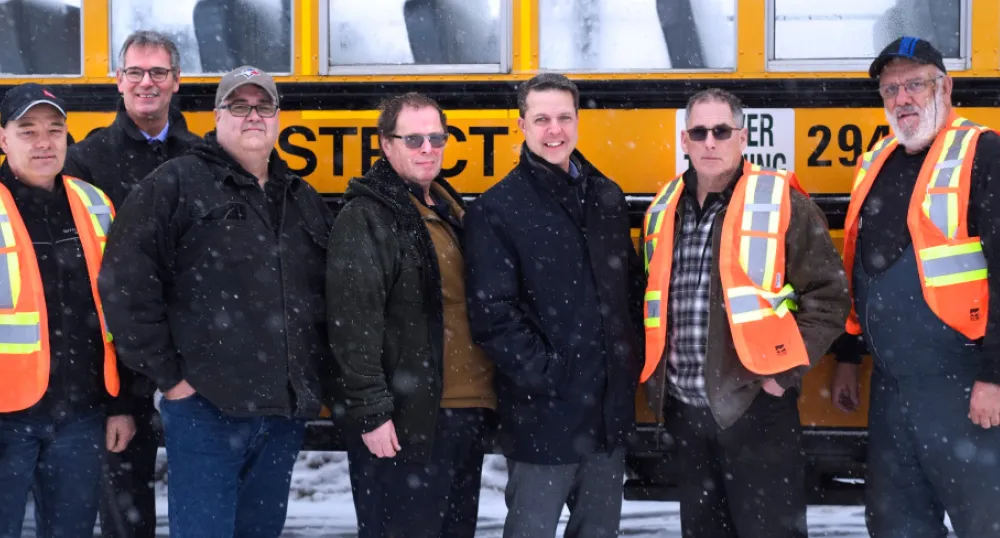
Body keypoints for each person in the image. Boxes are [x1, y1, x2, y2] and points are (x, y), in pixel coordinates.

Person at [97, 66, 335, 538]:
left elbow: (326, 292)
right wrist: (172, 378)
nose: (253, 116)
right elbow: (125, 283)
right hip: (207, 410)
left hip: (281, 414)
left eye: (263, 106)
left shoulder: (301, 196)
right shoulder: (176, 184)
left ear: (278, 117)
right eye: (238, 105)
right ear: (216, 115)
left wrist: (316, 377)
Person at [640, 87, 849, 538]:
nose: (710, 142)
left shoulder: (779, 201)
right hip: (687, 413)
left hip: (757, 407)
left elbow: (828, 298)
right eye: (699, 132)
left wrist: (782, 375)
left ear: (743, 135)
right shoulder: (663, 209)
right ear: (684, 140)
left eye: (721, 131)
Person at [829, 37, 1000, 537]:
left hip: (965, 385)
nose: (903, 98)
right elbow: (860, 265)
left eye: (915, 84)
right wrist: (847, 354)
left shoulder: (983, 152)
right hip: (891, 387)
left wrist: (994, 376)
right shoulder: (876, 160)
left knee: (985, 520)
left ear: (945, 87)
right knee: (896, 524)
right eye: (891, 89)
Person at [463, 72, 645, 538]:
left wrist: (625, 365)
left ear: (578, 121)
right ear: (521, 125)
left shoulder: (606, 196)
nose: (555, 130)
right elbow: (493, 315)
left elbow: (629, 291)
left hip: (606, 415)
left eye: (564, 117)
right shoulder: (498, 208)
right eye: (541, 119)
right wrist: (552, 374)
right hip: (543, 416)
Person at [327, 92, 496, 538]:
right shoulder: (367, 216)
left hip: (462, 412)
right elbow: (353, 323)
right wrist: (372, 413)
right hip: (408, 421)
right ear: (386, 144)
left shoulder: (449, 208)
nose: (428, 148)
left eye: (436, 138)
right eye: (414, 138)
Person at [63, 30, 200, 538]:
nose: (147, 82)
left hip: (194, 349)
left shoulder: (201, 155)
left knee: (204, 492)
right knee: (123, 502)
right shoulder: (88, 160)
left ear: (176, 82)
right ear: (118, 81)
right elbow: (80, 277)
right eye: (136, 72)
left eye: (158, 72)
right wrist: (116, 392)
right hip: (118, 353)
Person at [0, 83, 135, 537]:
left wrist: (122, 404)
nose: (44, 142)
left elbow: (121, 312)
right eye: (28, 130)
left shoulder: (95, 205)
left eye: (55, 130)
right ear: (3, 138)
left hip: (79, 417)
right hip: (5, 417)